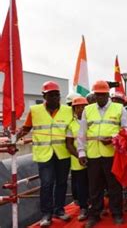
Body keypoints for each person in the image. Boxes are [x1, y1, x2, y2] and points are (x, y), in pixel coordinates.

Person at [17, 81, 73, 227]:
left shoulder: (68, 111)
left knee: (62, 183)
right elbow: (26, 128)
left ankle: (59, 210)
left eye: (57, 95)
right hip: (44, 154)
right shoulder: (35, 110)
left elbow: (73, 129)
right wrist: (13, 139)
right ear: (44, 96)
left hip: (62, 153)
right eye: (51, 95)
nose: (55, 98)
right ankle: (46, 214)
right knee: (47, 184)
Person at [77, 80, 127, 227]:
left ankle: (117, 213)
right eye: (97, 95)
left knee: (114, 186)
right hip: (93, 155)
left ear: (108, 95)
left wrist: (114, 139)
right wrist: (81, 152)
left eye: (102, 95)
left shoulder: (119, 108)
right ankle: (95, 214)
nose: (100, 97)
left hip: (112, 154)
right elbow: (82, 133)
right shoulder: (88, 110)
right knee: (94, 187)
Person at [65, 97, 90, 222]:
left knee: (95, 183)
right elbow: (69, 144)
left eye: (83, 107)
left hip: (93, 157)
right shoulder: (71, 125)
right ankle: (84, 208)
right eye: (78, 107)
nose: (81, 109)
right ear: (74, 109)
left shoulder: (92, 121)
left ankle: (97, 207)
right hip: (78, 160)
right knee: (81, 185)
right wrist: (79, 155)